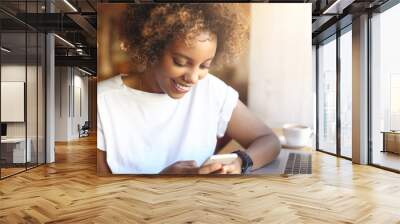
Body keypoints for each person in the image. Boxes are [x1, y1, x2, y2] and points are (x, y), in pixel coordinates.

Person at [97, 3, 281, 175]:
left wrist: (240, 163)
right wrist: (161, 182)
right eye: (181, 62)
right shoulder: (102, 102)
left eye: (204, 65)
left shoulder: (211, 90)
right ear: (152, 48)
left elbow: (268, 140)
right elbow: (94, 193)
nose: (193, 78)